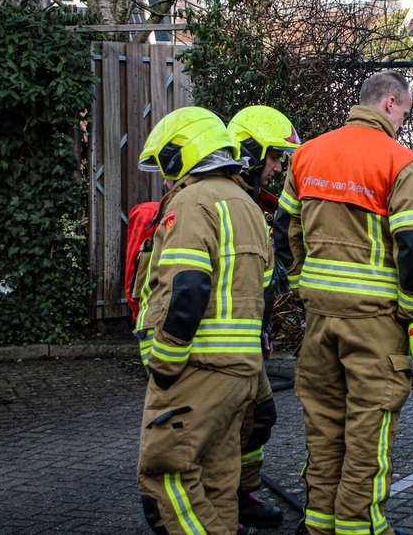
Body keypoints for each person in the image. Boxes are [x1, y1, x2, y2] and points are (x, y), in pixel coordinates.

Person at [273, 71, 413, 535]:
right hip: (374, 320)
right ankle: (360, 527)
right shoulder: (397, 161)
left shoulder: (307, 154)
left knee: (324, 425)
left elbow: (284, 231)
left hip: (319, 317)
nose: (403, 123)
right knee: (369, 428)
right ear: (389, 104)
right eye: (404, 113)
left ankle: (318, 525)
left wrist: (304, 286)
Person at [134, 106, 275, 535]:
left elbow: (188, 287)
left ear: (183, 155)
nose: (165, 180)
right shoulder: (247, 205)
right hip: (240, 373)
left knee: (166, 478)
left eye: (166, 167)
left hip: (197, 369)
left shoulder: (193, 201)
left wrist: (164, 363)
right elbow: (265, 288)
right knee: (217, 483)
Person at [225, 105, 303, 530]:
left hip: (247, 338)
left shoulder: (250, 201)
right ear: (250, 152)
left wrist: (263, 330)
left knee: (260, 418)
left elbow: (260, 277)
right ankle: (221, 507)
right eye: (273, 157)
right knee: (224, 430)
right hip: (222, 345)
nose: (277, 167)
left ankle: (241, 495)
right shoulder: (226, 199)